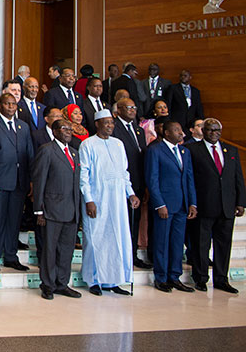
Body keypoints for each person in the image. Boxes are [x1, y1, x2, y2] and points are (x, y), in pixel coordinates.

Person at [78, 109, 140, 296]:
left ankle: (112, 280)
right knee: (96, 239)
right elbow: (84, 175)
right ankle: (94, 280)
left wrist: (131, 194)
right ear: (97, 124)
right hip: (97, 199)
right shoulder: (87, 144)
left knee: (117, 238)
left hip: (117, 200)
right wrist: (89, 200)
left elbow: (124, 172)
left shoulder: (118, 144)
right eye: (106, 123)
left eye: (112, 123)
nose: (110, 126)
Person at [186, 118, 245, 293]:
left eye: (217, 130)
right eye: (210, 130)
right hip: (204, 205)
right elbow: (190, 179)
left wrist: (241, 202)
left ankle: (221, 279)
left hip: (226, 206)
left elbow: (238, 178)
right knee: (201, 244)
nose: (214, 133)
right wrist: (192, 203)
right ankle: (201, 278)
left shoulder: (231, 150)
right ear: (203, 131)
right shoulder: (192, 150)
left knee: (224, 245)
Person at [0, 93, 34, 272]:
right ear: (1, 105)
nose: (11, 107)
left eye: (13, 104)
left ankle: (11, 255)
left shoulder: (23, 126)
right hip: (0, 181)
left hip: (20, 181)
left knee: (14, 220)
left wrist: (31, 180)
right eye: (7, 104)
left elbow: (30, 154)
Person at [31, 119, 82, 300]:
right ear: (54, 131)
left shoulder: (75, 154)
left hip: (71, 209)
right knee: (50, 250)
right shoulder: (47, 150)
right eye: (64, 128)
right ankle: (48, 284)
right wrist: (39, 210)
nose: (68, 131)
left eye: (70, 128)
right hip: (51, 210)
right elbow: (39, 180)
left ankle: (62, 283)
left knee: (66, 250)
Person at [146, 121, 197, 293]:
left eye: (181, 130)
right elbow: (152, 180)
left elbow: (189, 178)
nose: (181, 133)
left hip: (181, 205)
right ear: (167, 133)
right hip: (164, 205)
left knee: (177, 243)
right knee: (161, 242)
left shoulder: (185, 151)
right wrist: (159, 203)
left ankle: (174, 277)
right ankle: (161, 278)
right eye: (176, 130)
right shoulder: (155, 150)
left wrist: (192, 202)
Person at [111, 98, 150, 268]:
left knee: (134, 221)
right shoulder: (113, 128)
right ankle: (120, 255)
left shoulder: (139, 130)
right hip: (120, 183)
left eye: (134, 107)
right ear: (118, 109)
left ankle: (132, 255)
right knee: (121, 221)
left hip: (138, 182)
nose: (133, 110)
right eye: (129, 107)